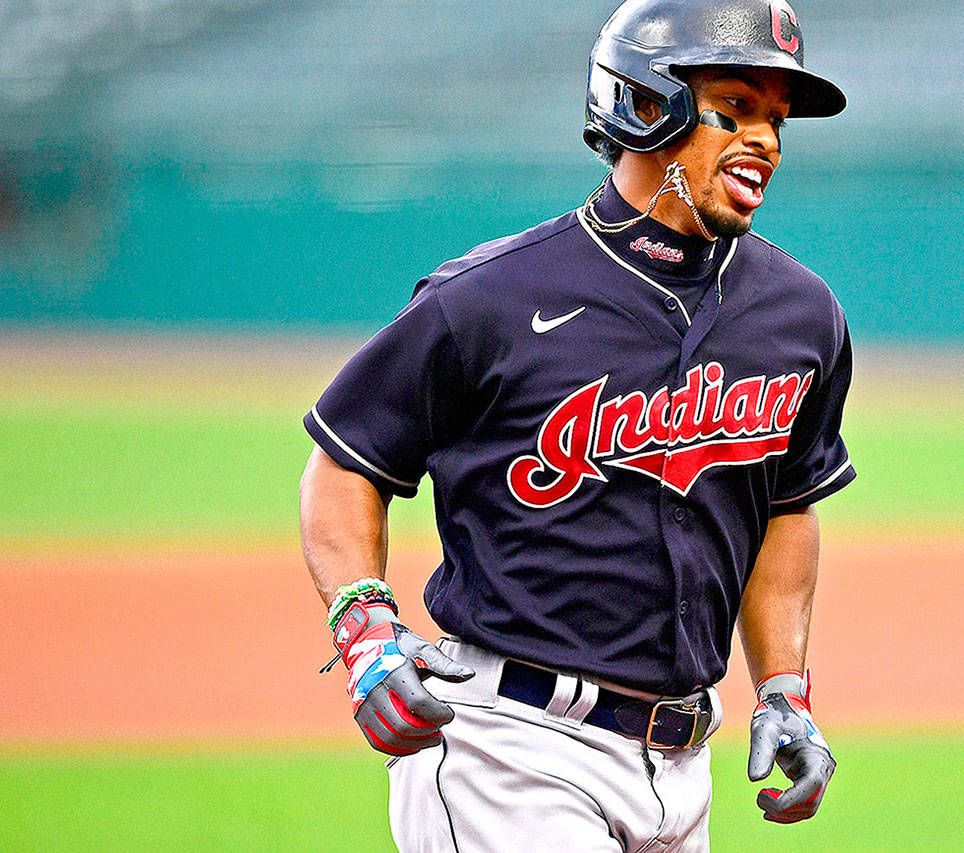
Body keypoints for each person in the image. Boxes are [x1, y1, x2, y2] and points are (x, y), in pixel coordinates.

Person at [299, 0, 854, 849]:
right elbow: (347, 463)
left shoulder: (801, 315)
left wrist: (783, 687)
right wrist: (365, 624)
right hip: (508, 749)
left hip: (683, 767)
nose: (766, 140)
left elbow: (786, 505)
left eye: (776, 119)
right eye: (736, 107)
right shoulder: (488, 298)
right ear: (645, 103)